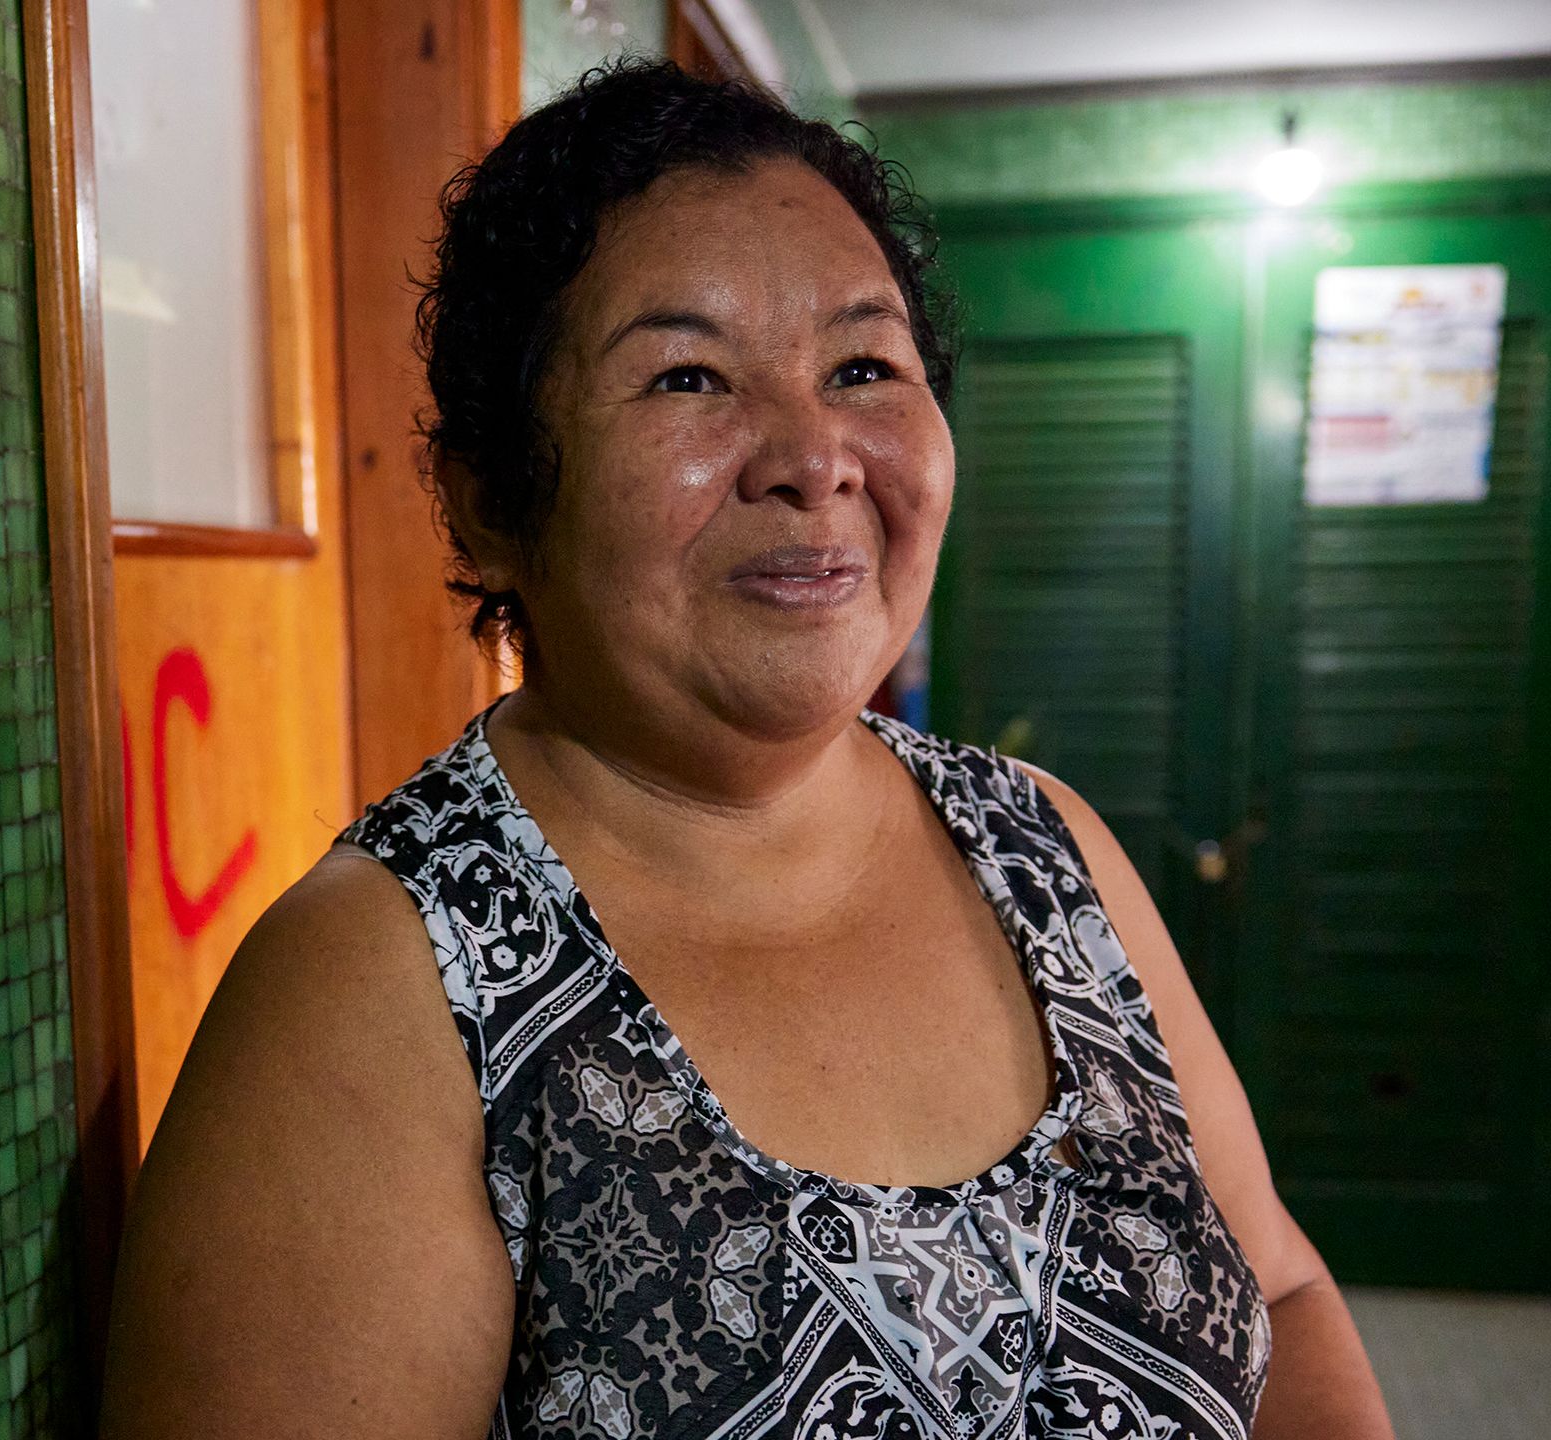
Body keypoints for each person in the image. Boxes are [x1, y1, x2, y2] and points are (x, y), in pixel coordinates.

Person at [99, 62, 1393, 1439]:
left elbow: (1286, 1294)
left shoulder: (1042, 845)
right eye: (688, 376)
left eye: (862, 366)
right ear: (487, 509)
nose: (813, 455)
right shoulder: (383, 985)